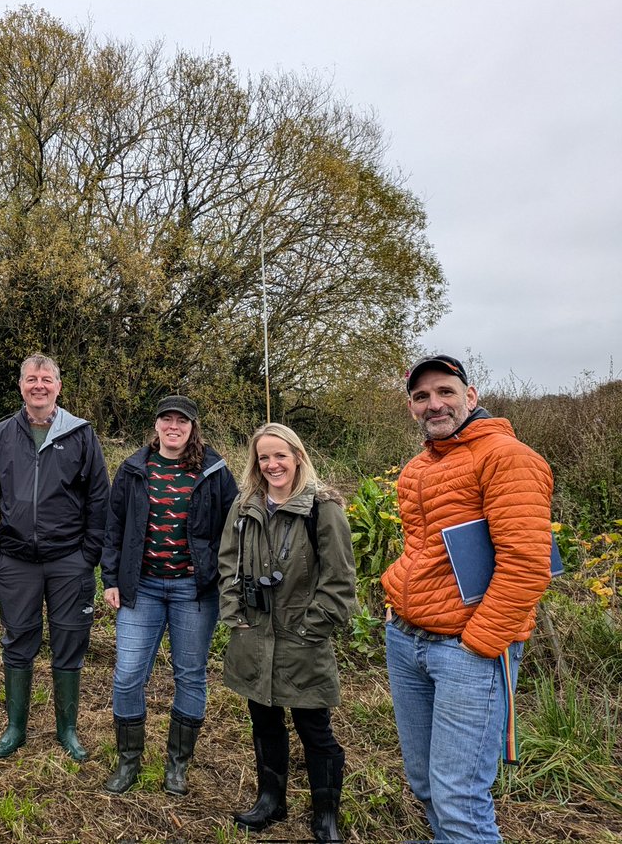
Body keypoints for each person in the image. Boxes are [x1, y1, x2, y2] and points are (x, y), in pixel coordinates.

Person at [382, 355, 553, 843]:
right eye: (421, 397)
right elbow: (422, 548)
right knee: (424, 781)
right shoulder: (417, 468)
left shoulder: (507, 457)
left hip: (465, 650)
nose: (434, 404)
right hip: (407, 640)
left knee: (460, 797)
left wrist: (477, 643)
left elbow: (527, 564)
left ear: (470, 396)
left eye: (445, 392)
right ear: (412, 407)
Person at [219, 423, 356, 843]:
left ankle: (326, 816)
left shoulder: (322, 507)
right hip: (254, 635)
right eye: (264, 457)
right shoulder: (245, 505)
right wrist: (234, 610)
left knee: (314, 728)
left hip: (302, 639)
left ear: (298, 456)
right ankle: (270, 802)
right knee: (264, 721)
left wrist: (311, 627)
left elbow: (339, 580)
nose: (272, 464)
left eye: (280, 455)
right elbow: (227, 562)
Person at [100, 396, 238, 796]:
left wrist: (219, 574)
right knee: (128, 675)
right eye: (167, 419)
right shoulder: (133, 469)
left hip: (193, 592)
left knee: (190, 675)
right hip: (140, 587)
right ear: (156, 425)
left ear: (193, 427)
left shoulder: (214, 471)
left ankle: (177, 765)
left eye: (182, 421)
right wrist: (111, 578)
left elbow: (233, 528)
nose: (173, 426)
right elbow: (114, 526)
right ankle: (128, 761)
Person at [0, 353, 109, 761]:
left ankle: (67, 730)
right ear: (20, 386)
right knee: (18, 640)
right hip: (15, 560)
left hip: (69, 560)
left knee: (69, 640)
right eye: (31, 379)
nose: (39, 386)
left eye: (46, 379)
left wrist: (89, 553)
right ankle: (16, 728)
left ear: (58, 386)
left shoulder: (81, 434)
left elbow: (99, 497)